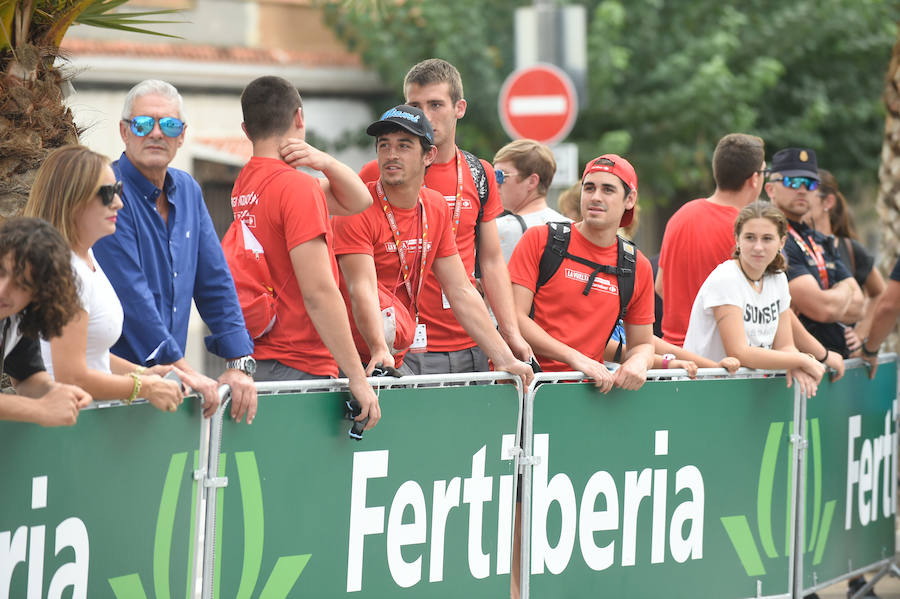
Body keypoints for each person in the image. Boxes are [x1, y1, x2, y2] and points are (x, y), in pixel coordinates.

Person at [92, 79, 257, 423]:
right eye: (142, 123)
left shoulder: (187, 189)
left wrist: (239, 363)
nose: (155, 133)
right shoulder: (106, 189)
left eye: (168, 124)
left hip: (168, 387)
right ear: (124, 131)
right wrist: (185, 370)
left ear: (181, 135)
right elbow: (133, 299)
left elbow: (215, 282)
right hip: (111, 389)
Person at [333, 104, 533, 387]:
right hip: (351, 362)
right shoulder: (358, 207)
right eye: (384, 146)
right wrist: (379, 347)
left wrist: (502, 356)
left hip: (394, 356)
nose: (391, 155)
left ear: (428, 155)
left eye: (403, 146)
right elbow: (360, 287)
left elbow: (460, 289)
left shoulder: (435, 206)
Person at [229, 75, 381, 429]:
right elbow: (319, 292)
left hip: (260, 355)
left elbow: (360, 200)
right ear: (300, 118)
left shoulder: (246, 182)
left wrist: (323, 162)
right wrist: (356, 377)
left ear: (246, 129)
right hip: (297, 364)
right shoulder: (296, 187)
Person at [24, 145, 183, 413]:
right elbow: (71, 376)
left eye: (118, 190)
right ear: (74, 200)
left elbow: (89, 353)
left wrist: (142, 374)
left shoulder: (84, 258)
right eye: (108, 193)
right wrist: (144, 387)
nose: (119, 202)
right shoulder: (67, 271)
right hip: (63, 431)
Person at [509, 154, 655, 390]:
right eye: (589, 188)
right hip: (525, 388)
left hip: (585, 395)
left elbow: (643, 344)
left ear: (630, 199)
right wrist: (576, 358)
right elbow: (514, 319)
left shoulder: (637, 265)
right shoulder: (540, 240)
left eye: (608, 190)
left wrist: (639, 360)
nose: (595, 197)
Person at [684, 201, 825, 396]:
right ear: (737, 240)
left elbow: (785, 345)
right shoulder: (726, 278)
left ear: (781, 242)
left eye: (767, 238)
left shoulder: (778, 279)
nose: (758, 247)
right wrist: (801, 360)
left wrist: (798, 364)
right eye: (750, 237)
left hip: (744, 392)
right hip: (704, 390)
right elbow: (739, 352)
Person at [657, 133, 767, 347]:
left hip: (674, 356)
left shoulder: (681, 215)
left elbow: (661, 286)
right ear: (754, 179)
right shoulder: (750, 234)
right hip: (722, 361)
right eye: (764, 171)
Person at [765, 148, 865, 359]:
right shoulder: (772, 238)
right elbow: (824, 309)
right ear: (771, 189)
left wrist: (829, 299)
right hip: (796, 366)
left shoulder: (818, 239)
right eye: (792, 182)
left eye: (810, 183)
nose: (802, 189)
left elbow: (859, 305)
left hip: (832, 363)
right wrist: (844, 289)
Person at [0, 218, 93, 426]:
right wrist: (40, 409)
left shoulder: (17, 318)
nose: (3, 290)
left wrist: (58, 394)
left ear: (38, 296)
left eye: (21, 284)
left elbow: (27, 377)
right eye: (1, 271)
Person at [804, 168, 885, 344]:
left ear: (828, 201)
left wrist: (860, 333)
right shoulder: (794, 246)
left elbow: (879, 293)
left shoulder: (849, 248)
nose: (800, 199)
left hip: (843, 358)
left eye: (807, 194)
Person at [492, 139, 569, 261]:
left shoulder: (499, 229)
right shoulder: (571, 227)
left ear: (532, 182)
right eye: (493, 175)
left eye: (501, 176)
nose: (495, 183)